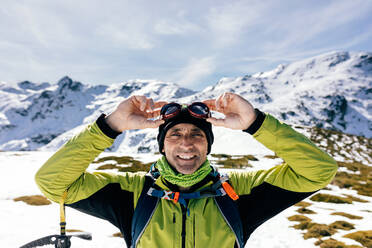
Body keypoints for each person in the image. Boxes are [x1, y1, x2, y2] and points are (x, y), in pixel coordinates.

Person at [35, 92, 337, 248]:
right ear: (162, 146)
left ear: (208, 145)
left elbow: (318, 171)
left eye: (197, 135)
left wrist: (256, 123)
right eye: (175, 135)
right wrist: (110, 127)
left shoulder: (237, 192)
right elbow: (53, 182)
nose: (187, 144)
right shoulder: (134, 193)